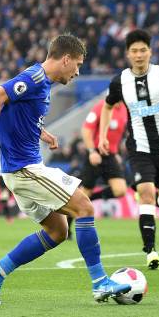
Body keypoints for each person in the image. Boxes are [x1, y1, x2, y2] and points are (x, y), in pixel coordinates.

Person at [0, 34, 131, 305]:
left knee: (58, 231)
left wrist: (41, 132)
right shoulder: (34, 78)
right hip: (24, 168)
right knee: (84, 207)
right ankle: (100, 282)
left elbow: (16, 111)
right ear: (65, 59)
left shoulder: (41, 83)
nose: (78, 72)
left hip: (20, 170)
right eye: (77, 65)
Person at [99, 29, 159, 269]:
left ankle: (148, 200)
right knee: (147, 193)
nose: (139, 55)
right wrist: (102, 136)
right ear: (128, 54)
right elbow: (107, 107)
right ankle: (150, 250)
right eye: (134, 51)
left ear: (150, 51)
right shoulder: (120, 81)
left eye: (143, 50)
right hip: (139, 148)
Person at [67, 99, 128, 238]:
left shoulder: (124, 108)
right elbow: (86, 129)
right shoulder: (102, 106)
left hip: (110, 155)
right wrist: (91, 151)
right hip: (95, 155)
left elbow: (117, 134)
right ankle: (67, 224)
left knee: (120, 190)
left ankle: (90, 198)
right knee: (84, 191)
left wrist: (116, 152)